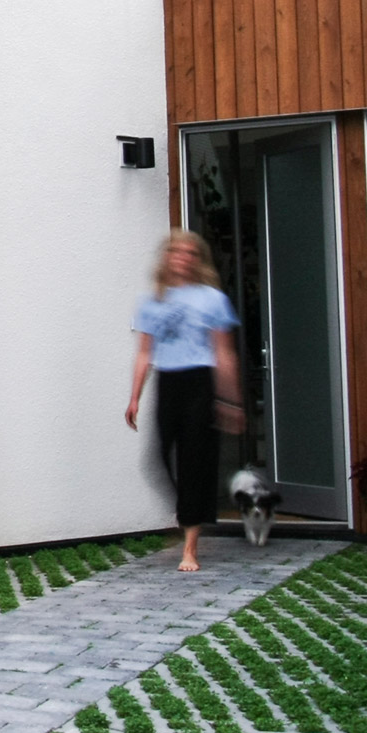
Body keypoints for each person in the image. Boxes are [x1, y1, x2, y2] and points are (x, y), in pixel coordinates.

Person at [125, 230, 241, 573]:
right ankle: (190, 509)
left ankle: (190, 546)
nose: (183, 257)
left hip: (200, 382)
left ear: (198, 260)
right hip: (169, 381)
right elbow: (145, 353)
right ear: (167, 258)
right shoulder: (151, 301)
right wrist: (134, 397)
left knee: (193, 458)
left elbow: (224, 353)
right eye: (177, 252)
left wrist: (229, 400)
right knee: (160, 456)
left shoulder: (212, 299)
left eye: (191, 253)